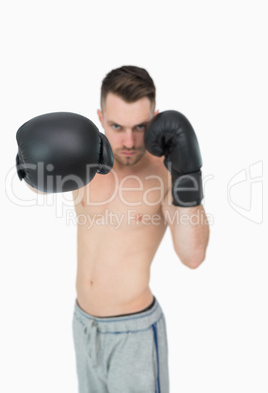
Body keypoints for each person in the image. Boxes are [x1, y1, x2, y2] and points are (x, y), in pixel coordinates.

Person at [16, 65, 209, 393]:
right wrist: (30, 158)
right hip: (83, 324)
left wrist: (188, 177)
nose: (129, 141)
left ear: (156, 117)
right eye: (117, 126)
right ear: (100, 117)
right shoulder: (86, 159)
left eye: (140, 127)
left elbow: (192, 256)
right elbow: (36, 184)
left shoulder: (164, 174)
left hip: (133, 333)